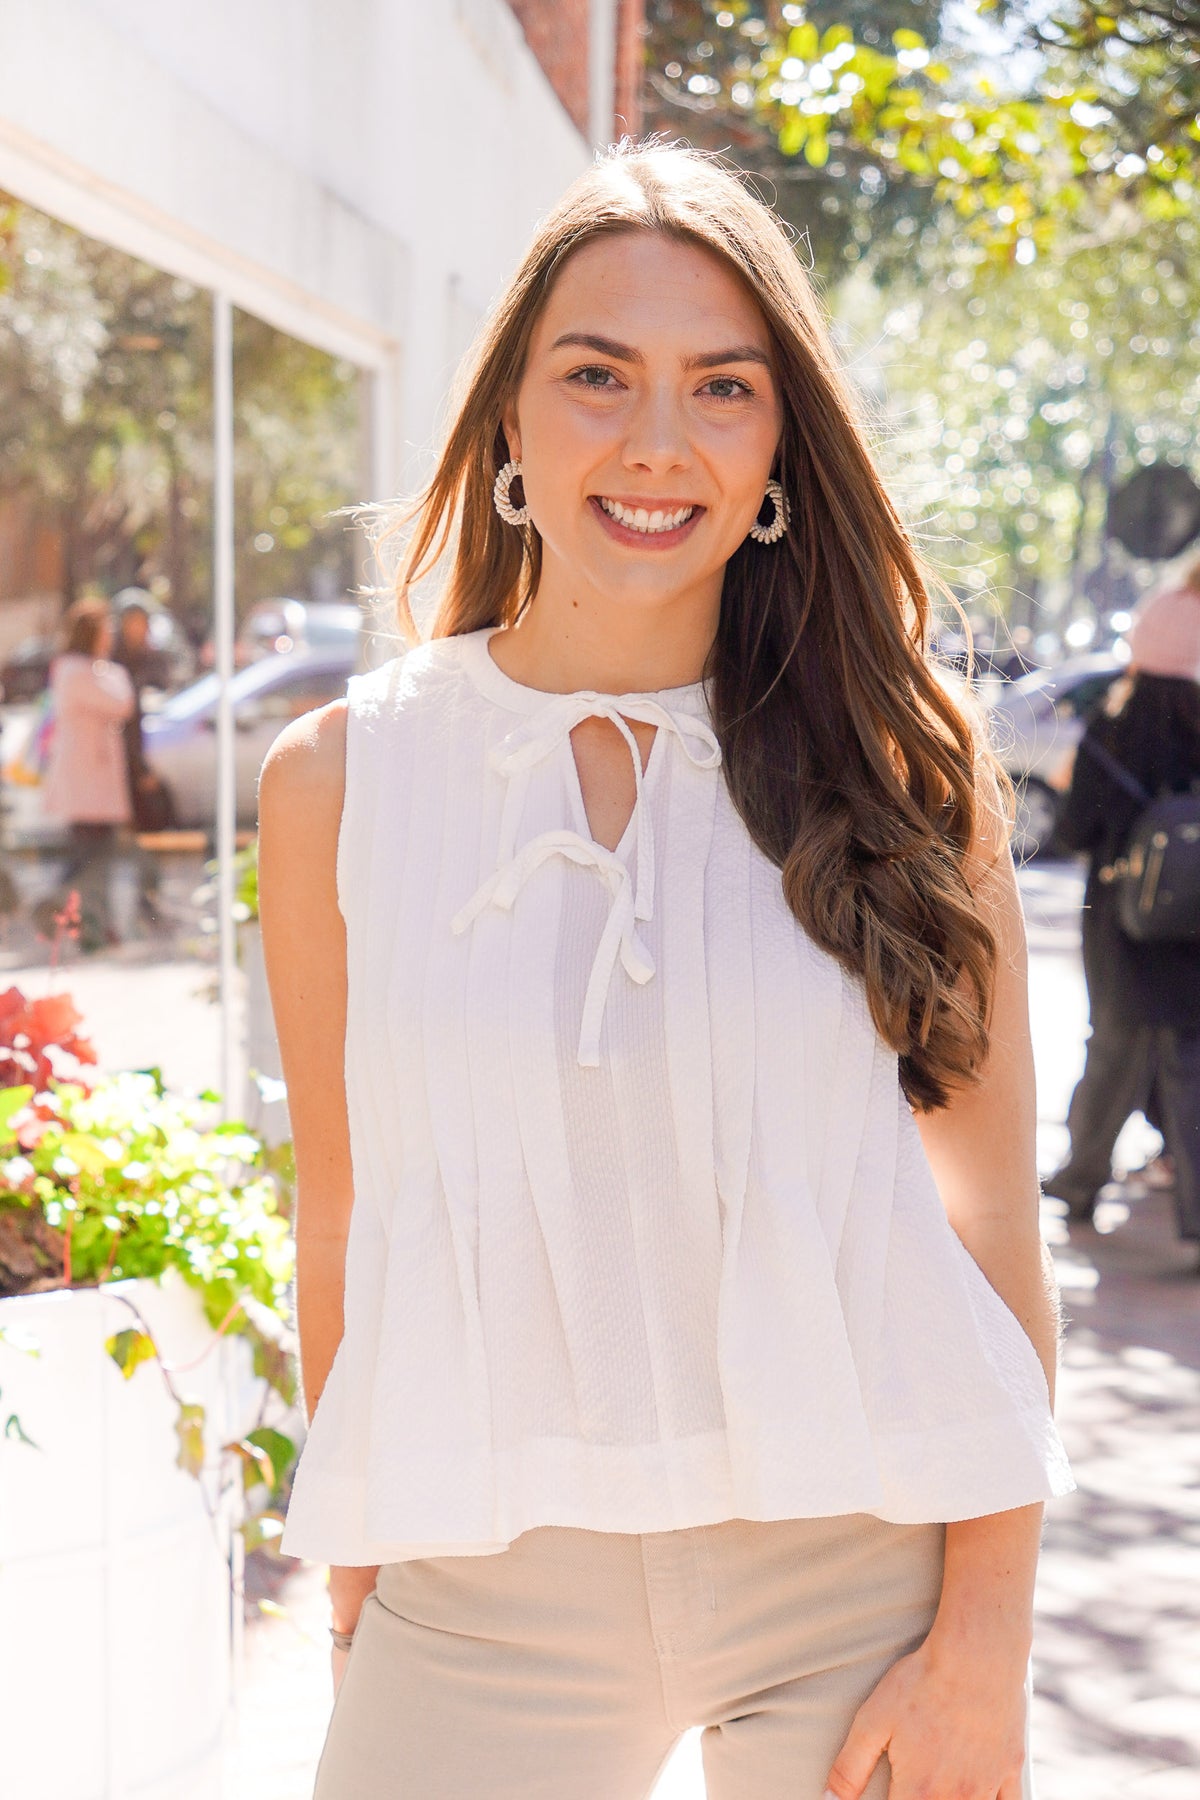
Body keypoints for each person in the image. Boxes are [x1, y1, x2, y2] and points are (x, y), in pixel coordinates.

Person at [257, 142, 1073, 1800]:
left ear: (779, 446)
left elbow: (990, 1226)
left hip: (859, 1574)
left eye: (721, 387)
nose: (654, 442)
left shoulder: (906, 775)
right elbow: (343, 1214)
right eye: (597, 377)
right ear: (506, 422)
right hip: (483, 1594)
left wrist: (988, 1644)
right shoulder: (343, 782)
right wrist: (362, 1593)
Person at [1043, 558, 1200, 1250]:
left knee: (1109, 1044)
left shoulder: (1112, 733)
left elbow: (1074, 831)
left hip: (1118, 917)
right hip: (1192, 925)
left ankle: (1080, 1183)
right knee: (1189, 1055)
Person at [40, 595, 134, 951]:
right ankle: (76, 919)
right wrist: (113, 673)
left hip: (94, 783)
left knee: (94, 857)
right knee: (88, 859)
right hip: (85, 783)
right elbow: (121, 701)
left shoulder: (90, 670)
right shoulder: (76, 671)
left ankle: (92, 925)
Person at [109, 588, 170, 926]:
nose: (140, 629)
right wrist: (138, 767)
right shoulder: (114, 661)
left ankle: (146, 900)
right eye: (134, 622)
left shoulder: (145, 657)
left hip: (134, 760)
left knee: (144, 832)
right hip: (119, 765)